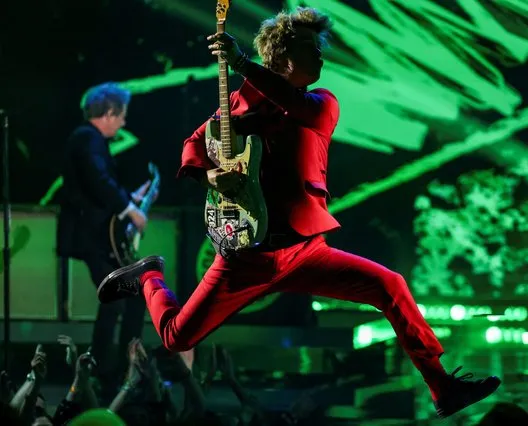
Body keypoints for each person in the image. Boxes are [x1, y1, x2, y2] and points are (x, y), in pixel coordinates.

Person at [96, 7, 500, 418]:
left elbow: (290, 102)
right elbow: (194, 144)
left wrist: (239, 63)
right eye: (312, 49)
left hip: (305, 249)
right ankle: (149, 274)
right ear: (285, 59)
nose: (322, 58)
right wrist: (211, 177)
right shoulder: (233, 106)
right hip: (246, 255)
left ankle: (441, 385)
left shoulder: (321, 103)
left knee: (390, 285)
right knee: (177, 338)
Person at [56, 82, 155, 399]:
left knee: (123, 298)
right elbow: (98, 181)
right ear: (110, 112)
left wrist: (130, 198)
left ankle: (114, 370)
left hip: (97, 237)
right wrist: (130, 209)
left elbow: (99, 183)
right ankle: (113, 372)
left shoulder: (89, 140)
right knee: (123, 297)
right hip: (91, 238)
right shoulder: (87, 138)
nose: (124, 123)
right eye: (122, 115)